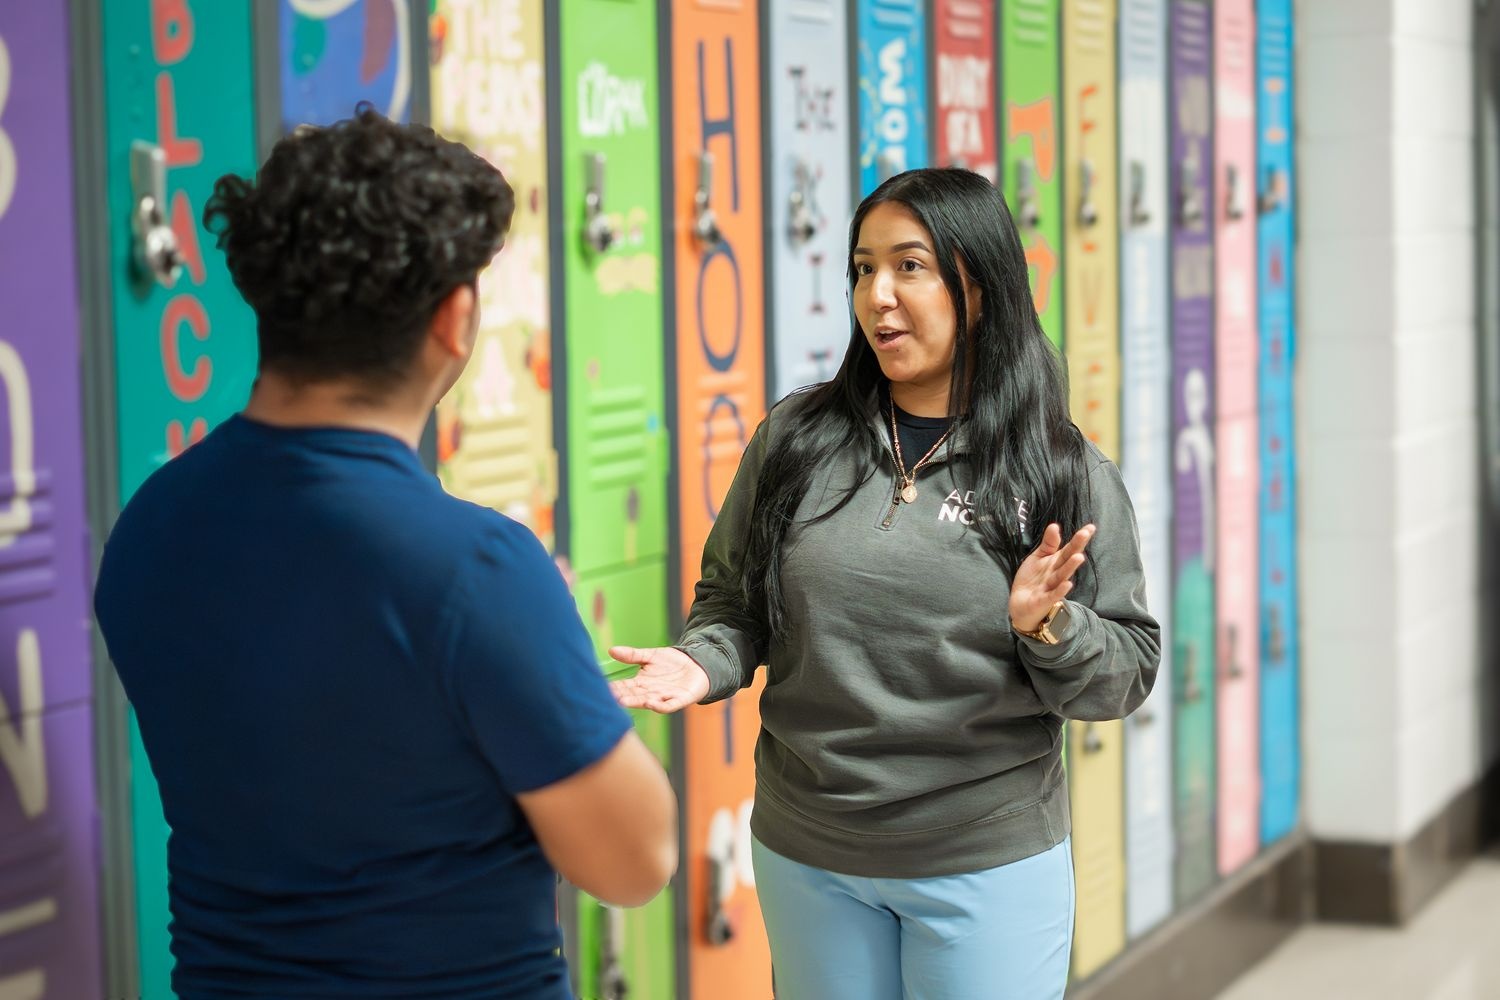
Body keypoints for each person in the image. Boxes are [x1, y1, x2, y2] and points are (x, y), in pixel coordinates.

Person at [94, 108, 677, 1000]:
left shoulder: (149, 528)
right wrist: (545, 664)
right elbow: (636, 861)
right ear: (456, 317)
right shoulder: (478, 570)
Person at [610, 167, 1159, 999]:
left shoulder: (1057, 470)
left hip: (981, 857)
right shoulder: (797, 440)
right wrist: (705, 660)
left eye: (910, 266)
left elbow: (1125, 671)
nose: (878, 296)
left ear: (976, 287)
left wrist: (1049, 627)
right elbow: (733, 603)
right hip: (810, 851)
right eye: (864, 268)